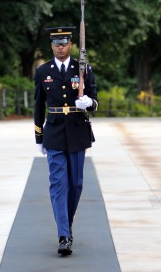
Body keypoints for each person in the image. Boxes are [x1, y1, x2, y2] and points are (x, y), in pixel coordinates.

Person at [34, 26, 98, 256]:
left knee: (76, 184)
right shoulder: (43, 71)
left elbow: (95, 101)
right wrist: (38, 136)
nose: (60, 47)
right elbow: (38, 105)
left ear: (70, 44)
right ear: (51, 46)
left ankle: (66, 225)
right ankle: (63, 235)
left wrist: (87, 102)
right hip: (54, 133)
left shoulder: (82, 69)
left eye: (64, 43)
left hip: (78, 131)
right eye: (56, 43)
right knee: (58, 184)